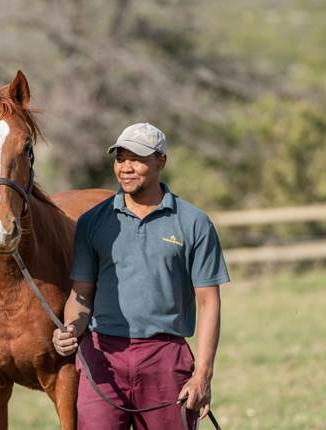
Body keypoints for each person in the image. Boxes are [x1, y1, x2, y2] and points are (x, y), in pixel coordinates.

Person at [52, 123, 230, 430]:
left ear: (160, 161)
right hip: (102, 357)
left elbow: (209, 303)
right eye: (121, 158)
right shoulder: (92, 223)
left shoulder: (194, 223)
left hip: (165, 358)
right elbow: (81, 295)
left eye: (137, 158)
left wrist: (202, 375)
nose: (126, 168)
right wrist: (70, 328)